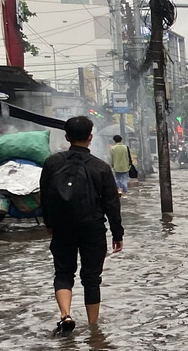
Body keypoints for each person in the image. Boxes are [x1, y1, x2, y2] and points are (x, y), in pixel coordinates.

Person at [39, 115, 124, 336]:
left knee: (63, 273)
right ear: (90, 137)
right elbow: (111, 204)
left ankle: (65, 315)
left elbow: (45, 197)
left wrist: (49, 224)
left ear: (67, 137)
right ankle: (93, 329)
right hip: (93, 228)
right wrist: (117, 233)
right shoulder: (101, 167)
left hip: (62, 227)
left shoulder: (52, 162)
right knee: (91, 278)